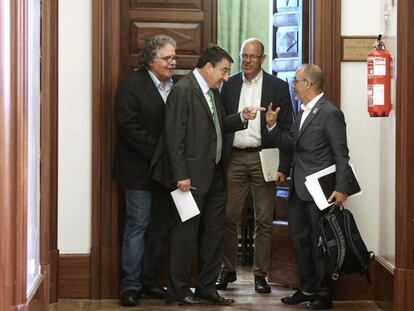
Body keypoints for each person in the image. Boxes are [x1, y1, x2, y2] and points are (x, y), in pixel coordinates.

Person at [164, 44, 264, 305]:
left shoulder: (212, 92)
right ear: (208, 67)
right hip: (190, 179)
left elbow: (219, 125)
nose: (225, 77)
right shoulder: (183, 90)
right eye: (223, 71)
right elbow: (174, 137)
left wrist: (241, 117)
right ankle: (179, 290)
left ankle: (207, 287)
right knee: (185, 235)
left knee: (214, 234)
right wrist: (181, 174)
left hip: (216, 175)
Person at [266, 64, 354, 310]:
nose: (292, 85)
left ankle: (324, 294)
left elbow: (341, 155)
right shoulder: (302, 111)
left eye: (295, 81)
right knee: (299, 240)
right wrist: (272, 126)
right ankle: (306, 288)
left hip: (321, 192)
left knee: (321, 244)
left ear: (308, 84)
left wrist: (342, 187)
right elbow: (289, 143)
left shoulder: (330, 113)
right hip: (298, 189)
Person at [216, 38, 292, 293]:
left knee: (264, 220)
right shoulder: (229, 84)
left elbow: (288, 129)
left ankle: (260, 275)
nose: (247, 60)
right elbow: (219, 121)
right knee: (229, 217)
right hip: (235, 157)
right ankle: (227, 271)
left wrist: (284, 166)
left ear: (263, 58)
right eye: (244, 55)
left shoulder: (278, 86)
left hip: (265, 157)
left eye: (252, 56)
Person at [113, 35, 177, 307]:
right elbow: (127, 125)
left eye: (174, 58)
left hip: (166, 173)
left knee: (160, 228)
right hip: (138, 170)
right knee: (137, 225)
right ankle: (130, 286)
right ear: (151, 60)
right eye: (167, 58)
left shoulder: (177, 86)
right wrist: (160, 151)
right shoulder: (131, 84)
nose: (172, 63)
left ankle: (150, 283)